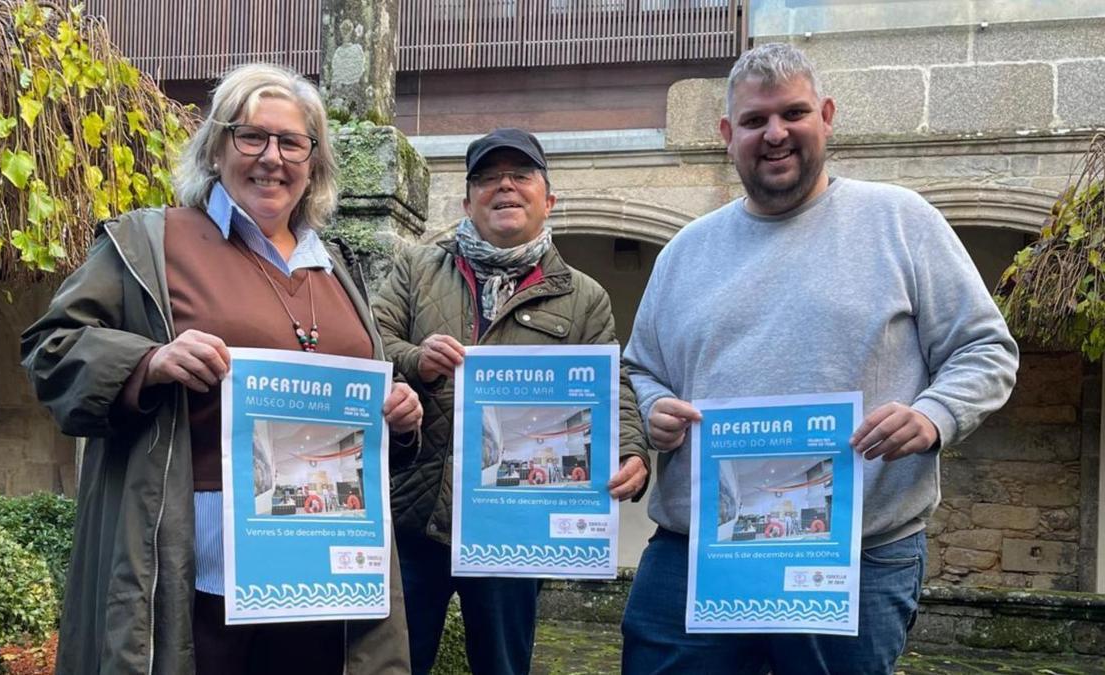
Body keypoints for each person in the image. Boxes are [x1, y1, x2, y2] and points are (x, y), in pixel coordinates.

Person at [619, 43, 1019, 675]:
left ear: (827, 116)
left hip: (860, 557)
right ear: (728, 134)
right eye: (754, 121)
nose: (775, 134)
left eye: (793, 113)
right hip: (697, 554)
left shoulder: (901, 221)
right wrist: (652, 409)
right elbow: (640, 368)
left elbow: (985, 348)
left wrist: (934, 415)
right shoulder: (684, 253)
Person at [21, 63, 421, 675]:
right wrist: (149, 361)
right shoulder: (152, 240)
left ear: (313, 161)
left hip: (323, 573)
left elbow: (358, 413)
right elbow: (51, 348)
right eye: (251, 136)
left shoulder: (335, 266)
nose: (272, 157)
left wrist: (396, 415)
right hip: (197, 576)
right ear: (216, 146)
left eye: (292, 142)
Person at [373, 128, 651, 675]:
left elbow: (611, 385)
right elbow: (369, 343)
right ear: (466, 200)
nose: (504, 186)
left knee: (503, 664)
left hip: (514, 525)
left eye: (521, 175)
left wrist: (631, 450)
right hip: (416, 513)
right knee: (394, 664)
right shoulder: (415, 268)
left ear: (547, 198)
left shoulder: (583, 295)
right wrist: (415, 361)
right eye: (487, 177)